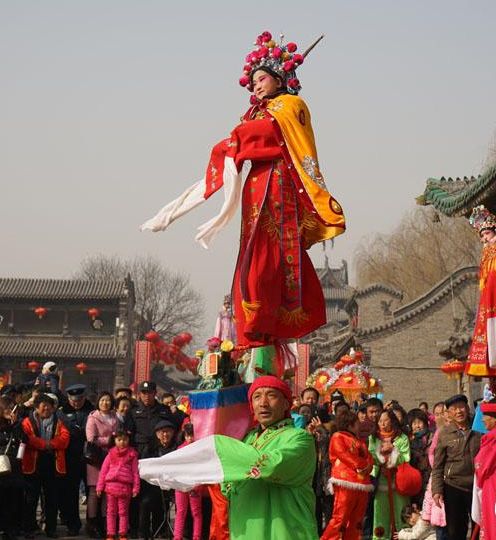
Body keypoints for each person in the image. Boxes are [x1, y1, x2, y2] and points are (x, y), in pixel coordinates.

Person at [141, 31, 346, 370]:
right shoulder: (260, 112)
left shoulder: (290, 106)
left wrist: (231, 142)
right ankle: (255, 334)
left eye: (261, 79)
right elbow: (250, 136)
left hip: (279, 187)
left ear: (280, 78)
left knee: (268, 262)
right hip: (258, 185)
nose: (255, 87)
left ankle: (265, 334)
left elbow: (265, 135)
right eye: (252, 83)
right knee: (252, 263)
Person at [140, 375, 319, 539]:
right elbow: (228, 485)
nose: (263, 403)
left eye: (271, 395)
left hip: (285, 532)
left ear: (286, 403)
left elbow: (271, 465)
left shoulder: (299, 438)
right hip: (245, 530)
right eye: (257, 397)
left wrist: (218, 444)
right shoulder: (248, 439)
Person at [431, 394, 481, 540]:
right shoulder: (444, 433)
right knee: (455, 530)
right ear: (449, 413)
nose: (459, 411)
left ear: (467, 408)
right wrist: (437, 490)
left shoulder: (478, 429)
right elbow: (438, 466)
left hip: (476, 487)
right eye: (454, 409)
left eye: (461, 407)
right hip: (453, 486)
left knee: (478, 527)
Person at [21, 393, 70, 538]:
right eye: (43, 407)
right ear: (36, 407)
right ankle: (30, 528)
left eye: (49, 407)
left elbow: (65, 439)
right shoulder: (27, 422)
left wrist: (50, 444)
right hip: (33, 463)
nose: (47, 409)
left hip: (52, 463)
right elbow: (27, 439)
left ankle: (51, 528)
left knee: (52, 498)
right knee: (31, 499)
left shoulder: (59, 421)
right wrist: (44, 444)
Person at [321, 409, 374, 540]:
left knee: (357, 519)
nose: (359, 426)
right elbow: (344, 455)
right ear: (350, 424)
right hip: (345, 481)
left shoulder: (359, 441)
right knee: (340, 516)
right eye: (357, 423)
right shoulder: (337, 436)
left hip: (361, 482)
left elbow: (369, 458)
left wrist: (367, 466)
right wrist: (362, 465)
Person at [58, 383, 95, 536]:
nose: (76, 403)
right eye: (73, 400)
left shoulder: (92, 411)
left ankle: (92, 524)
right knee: (70, 492)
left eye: (79, 400)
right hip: (70, 457)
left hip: (90, 458)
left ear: (84, 398)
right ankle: (73, 524)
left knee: (91, 492)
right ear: (68, 398)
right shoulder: (61, 413)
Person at [369, 409, 411, 539]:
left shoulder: (402, 437)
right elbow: (370, 457)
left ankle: (404, 536)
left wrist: (393, 451)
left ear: (392, 421)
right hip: (380, 481)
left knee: (402, 513)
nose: (382, 423)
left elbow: (406, 457)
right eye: (380, 421)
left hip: (399, 481)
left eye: (385, 420)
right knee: (380, 514)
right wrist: (381, 461)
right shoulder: (373, 438)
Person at [465, 205, 496, 377]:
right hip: (488, 304)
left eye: (488, 234)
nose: (484, 239)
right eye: (482, 235)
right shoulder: (486, 256)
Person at [85, 391, 119, 538]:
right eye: (102, 400)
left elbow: (118, 436)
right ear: (98, 402)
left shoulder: (115, 418)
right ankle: (92, 523)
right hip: (96, 458)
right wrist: (109, 441)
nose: (105, 403)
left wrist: (113, 441)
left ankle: (107, 522)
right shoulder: (93, 418)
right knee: (94, 491)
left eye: (108, 400)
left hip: (112, 458)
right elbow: (91, 438)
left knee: (107, 491)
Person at [139, 419, 178, 540]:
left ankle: (162, 531)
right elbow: (144, 468)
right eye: (162, 432)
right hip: (153, 486)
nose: (165, 434)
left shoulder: (178, 448)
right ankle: (143, 534)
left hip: (173, 486)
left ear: (173, 433)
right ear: (157, 434)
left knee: (173, 503)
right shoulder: (150, 449)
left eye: (168, 432)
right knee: (145, 502)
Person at [96, 430, 140, 540]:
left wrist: (135, 488)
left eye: (125, 439)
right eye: (119, 440)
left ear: (129, 440)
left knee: (123, 513)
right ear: (114, 440)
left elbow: (135, 472)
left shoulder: (132, 454)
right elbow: (103, 471)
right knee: (111, 512)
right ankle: (110, 533)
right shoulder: (110, 454)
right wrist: (100, 486)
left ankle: (123, 533)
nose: (122, 442)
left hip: (125, 488)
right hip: (110, 488)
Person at [0, 396, 24, 540]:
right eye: (8, 408)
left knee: (14, 497)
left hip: (14, 467)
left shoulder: (17, 425)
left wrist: (15, 425)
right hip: (1, 467)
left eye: (12, 408)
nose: (11, 411)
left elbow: (23, 440)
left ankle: (12, 528)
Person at [173, 424, 203, 540]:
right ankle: (177, 537)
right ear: (184, 436)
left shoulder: (200, 449)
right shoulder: (180, 449)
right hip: (181, 485)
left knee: (196, 513)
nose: (190, 438)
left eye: (192, 435)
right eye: (187, 436)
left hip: (194, 485)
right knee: (181, 512)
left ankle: (196, 537)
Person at [472, 398, 496, 539]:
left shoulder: (492, 439)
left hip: (492, 486)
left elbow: (482, 466)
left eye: (485, 415)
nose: (482, 420)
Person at [407, 409, 432, 507]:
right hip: (416, 480)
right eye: (414, 423)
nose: (417, 426)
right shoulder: (408, 441)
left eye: (419, 422)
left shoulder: (432, 437)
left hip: (429, 478)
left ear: (425, 423)